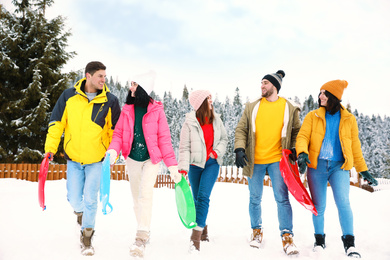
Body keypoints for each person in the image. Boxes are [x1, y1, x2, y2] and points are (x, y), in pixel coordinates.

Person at [44, 61, 121, 256]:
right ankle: (80, 214)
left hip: (96, 159)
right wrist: (50, 149)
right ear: (88, 76)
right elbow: (56, 124)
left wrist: (113, 152)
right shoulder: (68, 96)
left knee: (90, 200)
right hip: (74, 159)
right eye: (100, 76)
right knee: (74, 198)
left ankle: (87, 236)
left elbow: (116, 132)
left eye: (105, 76)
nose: (104, 79)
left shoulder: (110, 101)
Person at [295, 79, 378, 258]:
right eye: (320, 93)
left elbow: (355, 146)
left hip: (339, 167)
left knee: (343, 203)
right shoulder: (313, 116)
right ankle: (319, 241)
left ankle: (350, 244)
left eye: (324, 93)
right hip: (316, 167)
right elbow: (302, 136)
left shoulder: (349, 119)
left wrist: (363, 169)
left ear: (333, 96)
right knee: (319, 206)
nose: (320, 96)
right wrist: (302, 153)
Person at [106, 81, 181, 257]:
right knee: (135, 198)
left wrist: (171, 165)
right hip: (132, 158)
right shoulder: (127, 110)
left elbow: (164, 139)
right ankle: (144, 229)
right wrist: (113, 151)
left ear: (143, 89)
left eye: (134, 85)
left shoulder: (156, 110)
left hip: (151, 159)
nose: (130, 89)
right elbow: (118, 134)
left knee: (145, 194)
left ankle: (141, 236)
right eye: (130, 85)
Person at [234, 70, 301, 255]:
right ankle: (256, 231)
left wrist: (295, 148)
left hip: (278, 161)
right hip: (255, 160)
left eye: (265, 83)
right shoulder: (252, 106)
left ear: (274, 86)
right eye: (261, 83)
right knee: (255, 198)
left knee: (282, 198)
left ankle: (287, 236)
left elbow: (297, 131)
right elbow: (241, 129)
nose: (262, 86)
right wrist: (239, 148)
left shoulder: (288, 107)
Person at [178, 90, 228, 252]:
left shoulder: (216, 120)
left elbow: (223, 139)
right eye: (208, 98)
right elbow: (184, 148)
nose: (211, 100)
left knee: (203, 197)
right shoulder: (189, 123)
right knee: (196, 200)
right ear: (200, 103)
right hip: (194, 166)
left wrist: (216, 153)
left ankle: (195, 237)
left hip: (211, 164)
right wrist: (183, 168)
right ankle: (204, 230)